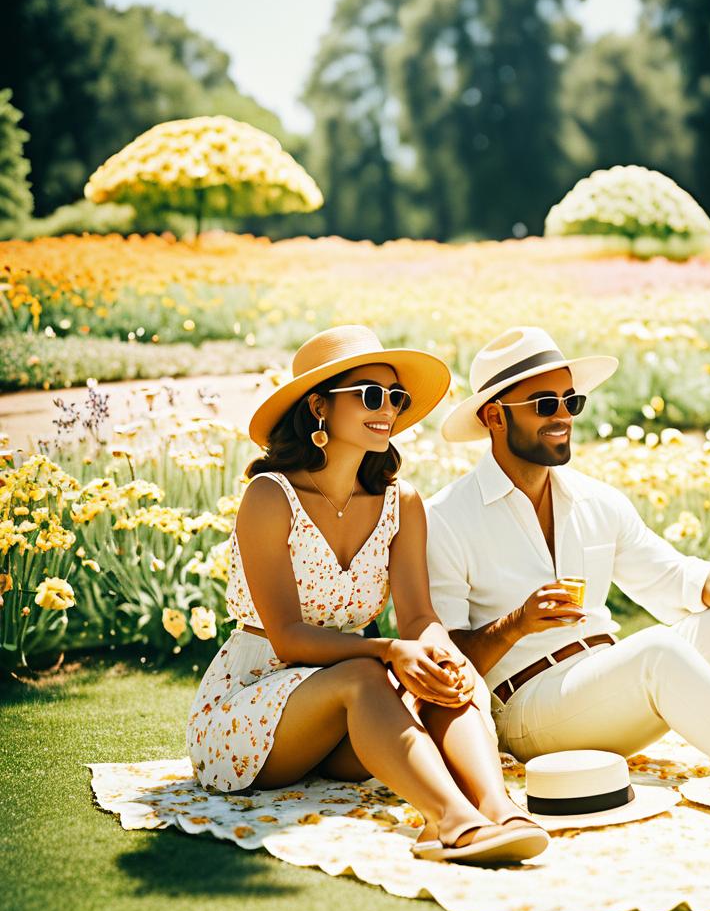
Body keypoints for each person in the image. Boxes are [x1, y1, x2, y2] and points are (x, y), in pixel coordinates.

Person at [186, 325, 548, 865]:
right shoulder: (270, 495)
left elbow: (420, 616)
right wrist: (387, 651)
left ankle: (499, 809)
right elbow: (286, 639)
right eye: (371, 395)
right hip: (250, 710)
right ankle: (450, 823)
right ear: (319, 407)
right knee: (368, 674)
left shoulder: (403, 502)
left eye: (395, 398)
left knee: (446, 668)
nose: (388, 410)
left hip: (349, 716)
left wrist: (433, 651)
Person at [425, 327, 710, 765]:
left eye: (571, 402)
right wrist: (517, 624)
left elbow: (674, 577)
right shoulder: (446, 518)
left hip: (610, 689)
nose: (564, 417)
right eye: (545, 405)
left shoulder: (596, 500)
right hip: (525, 709)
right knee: (657, 652)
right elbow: (445, 659)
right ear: (495, 417)